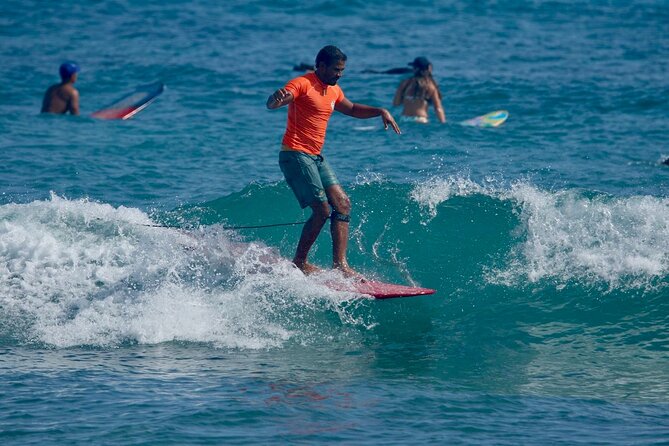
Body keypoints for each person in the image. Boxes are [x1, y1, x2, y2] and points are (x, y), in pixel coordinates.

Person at [267, 45, 401, 277]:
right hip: (295, 154)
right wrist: (275, 101)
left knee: (343, 205)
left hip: (315, 156)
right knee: (321, 210)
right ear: (321, 66)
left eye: (342, 70)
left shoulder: (334, 90)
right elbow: (280, 100)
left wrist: (380, 110)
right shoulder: (302, 83)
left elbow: (352, 108)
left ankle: (341, 266)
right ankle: (299, 262)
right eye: (336, 70)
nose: (339, 74)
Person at [392, 56, 445, 124]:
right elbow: (438, 109)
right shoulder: (431, 86)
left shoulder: (405, 83)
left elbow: (396, 103)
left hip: (405, 119)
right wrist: (443, 123)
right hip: (421, 120)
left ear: (415, 69)